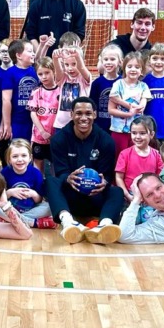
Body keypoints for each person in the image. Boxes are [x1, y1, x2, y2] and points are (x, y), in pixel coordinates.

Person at [47, 97, 124, 244]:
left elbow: (107, 175)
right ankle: (68, 222)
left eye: (88, 113)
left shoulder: (106, 141)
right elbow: (60, 172)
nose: (83, 118)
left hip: (95, 197)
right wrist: (68, 178)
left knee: (117, 191)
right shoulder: (59, 139)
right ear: (71, 114)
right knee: (50, 182)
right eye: (79, 113)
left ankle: (104, 226)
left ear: (95, 114)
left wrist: (104, 182)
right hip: (71, 198)